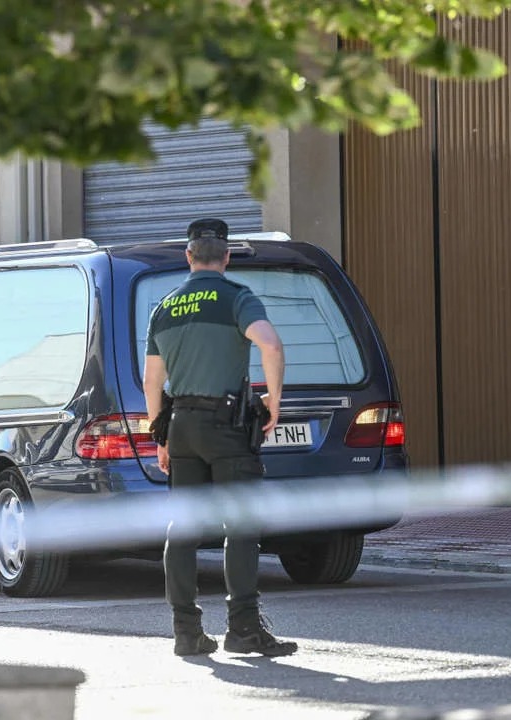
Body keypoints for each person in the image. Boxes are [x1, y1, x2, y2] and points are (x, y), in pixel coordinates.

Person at [143, 218, 298, 658]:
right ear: (226, 257)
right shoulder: (237, 298)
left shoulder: (166, 307)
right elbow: (270, 345)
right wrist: (275, 400)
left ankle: (186, 632)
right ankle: (244, 627)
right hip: (227, 427)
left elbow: (151, 381)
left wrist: (161, 436)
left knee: (183, 529)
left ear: (189, 257)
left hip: (182, 427)